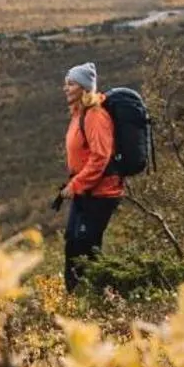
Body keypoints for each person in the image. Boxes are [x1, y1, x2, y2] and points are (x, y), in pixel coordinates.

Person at [51, 62, 123, 292]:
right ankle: (75, 296)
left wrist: (78, 183)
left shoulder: (95, 116)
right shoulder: (79, 115)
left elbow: (100, 157)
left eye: (71, 84)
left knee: (85, 247)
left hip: (100, 194)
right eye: (66, 83)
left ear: (84, 88)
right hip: (86, 192)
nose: (66, 88)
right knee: (73, 243)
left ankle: (97, 297)